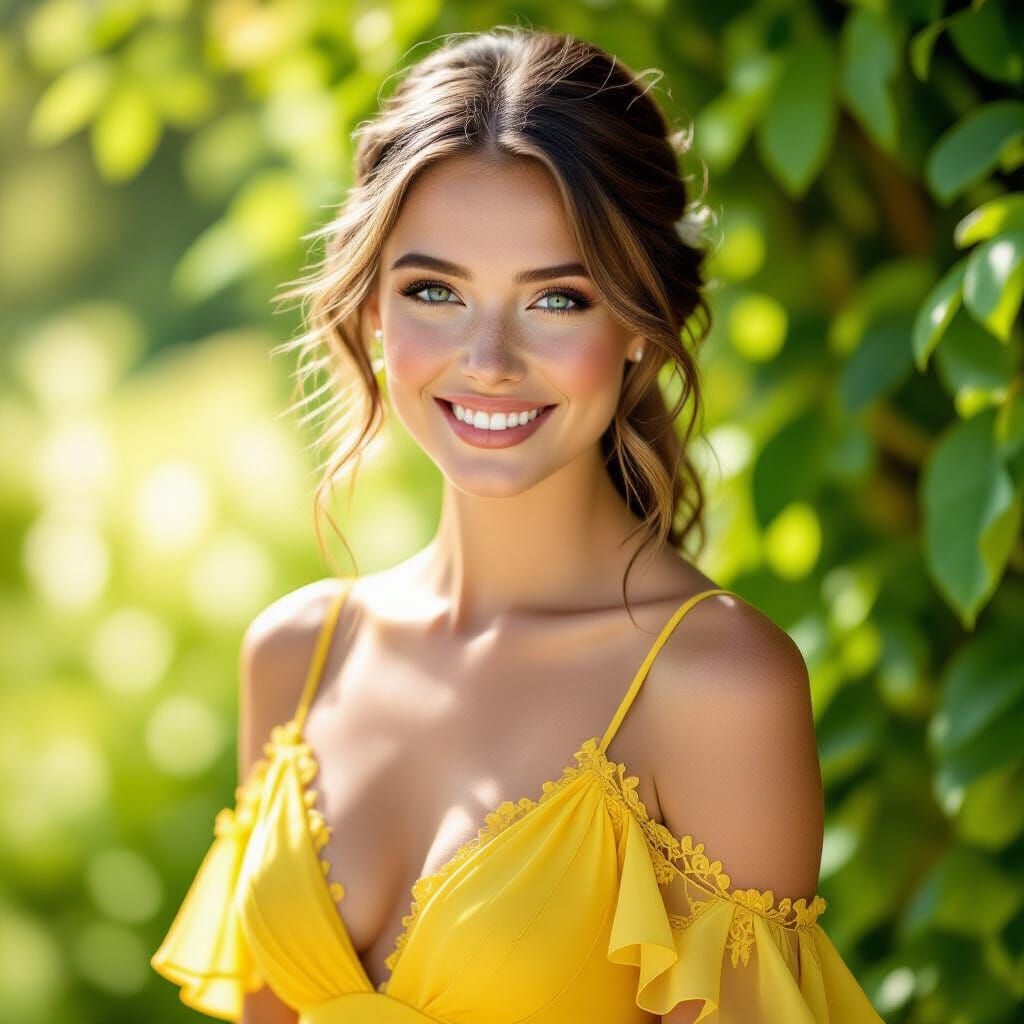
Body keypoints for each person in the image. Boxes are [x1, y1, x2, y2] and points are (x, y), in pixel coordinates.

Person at [151, 26, 886, 1024]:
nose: (488, 358)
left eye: (555, 298)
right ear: (371, 306)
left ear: (637, 326)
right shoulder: (295, 653)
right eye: (435, 291)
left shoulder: (714, 684)